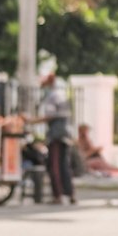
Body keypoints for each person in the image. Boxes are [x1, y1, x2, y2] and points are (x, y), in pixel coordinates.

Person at [39, 70, 75, 204]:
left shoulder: (52, 96)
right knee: (64, 165)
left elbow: (49, 116)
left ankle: (58, 195)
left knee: (55, 166)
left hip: (56, 135)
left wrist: (32, 121)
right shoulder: (62, 94)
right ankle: (70, 193)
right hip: (65, 133)